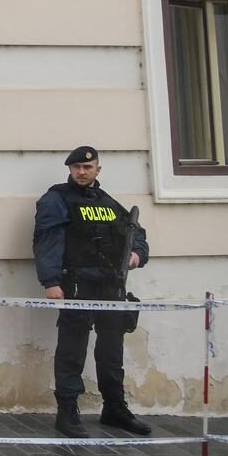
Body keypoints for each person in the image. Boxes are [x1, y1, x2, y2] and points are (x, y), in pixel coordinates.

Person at [33, 146, 150, 438]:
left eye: (87, 167)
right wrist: (51, 282)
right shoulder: (57, 199)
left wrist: (137, 254)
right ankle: (67, 410)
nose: (81, 172)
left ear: (98, 169)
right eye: (76, 167)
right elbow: (46, 240)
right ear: (70, 169)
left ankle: (114, 407)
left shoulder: (107, 201)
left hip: (110, 284)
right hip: (77, 282)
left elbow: (135, 232)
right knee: (72, 348)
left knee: (111, 349)